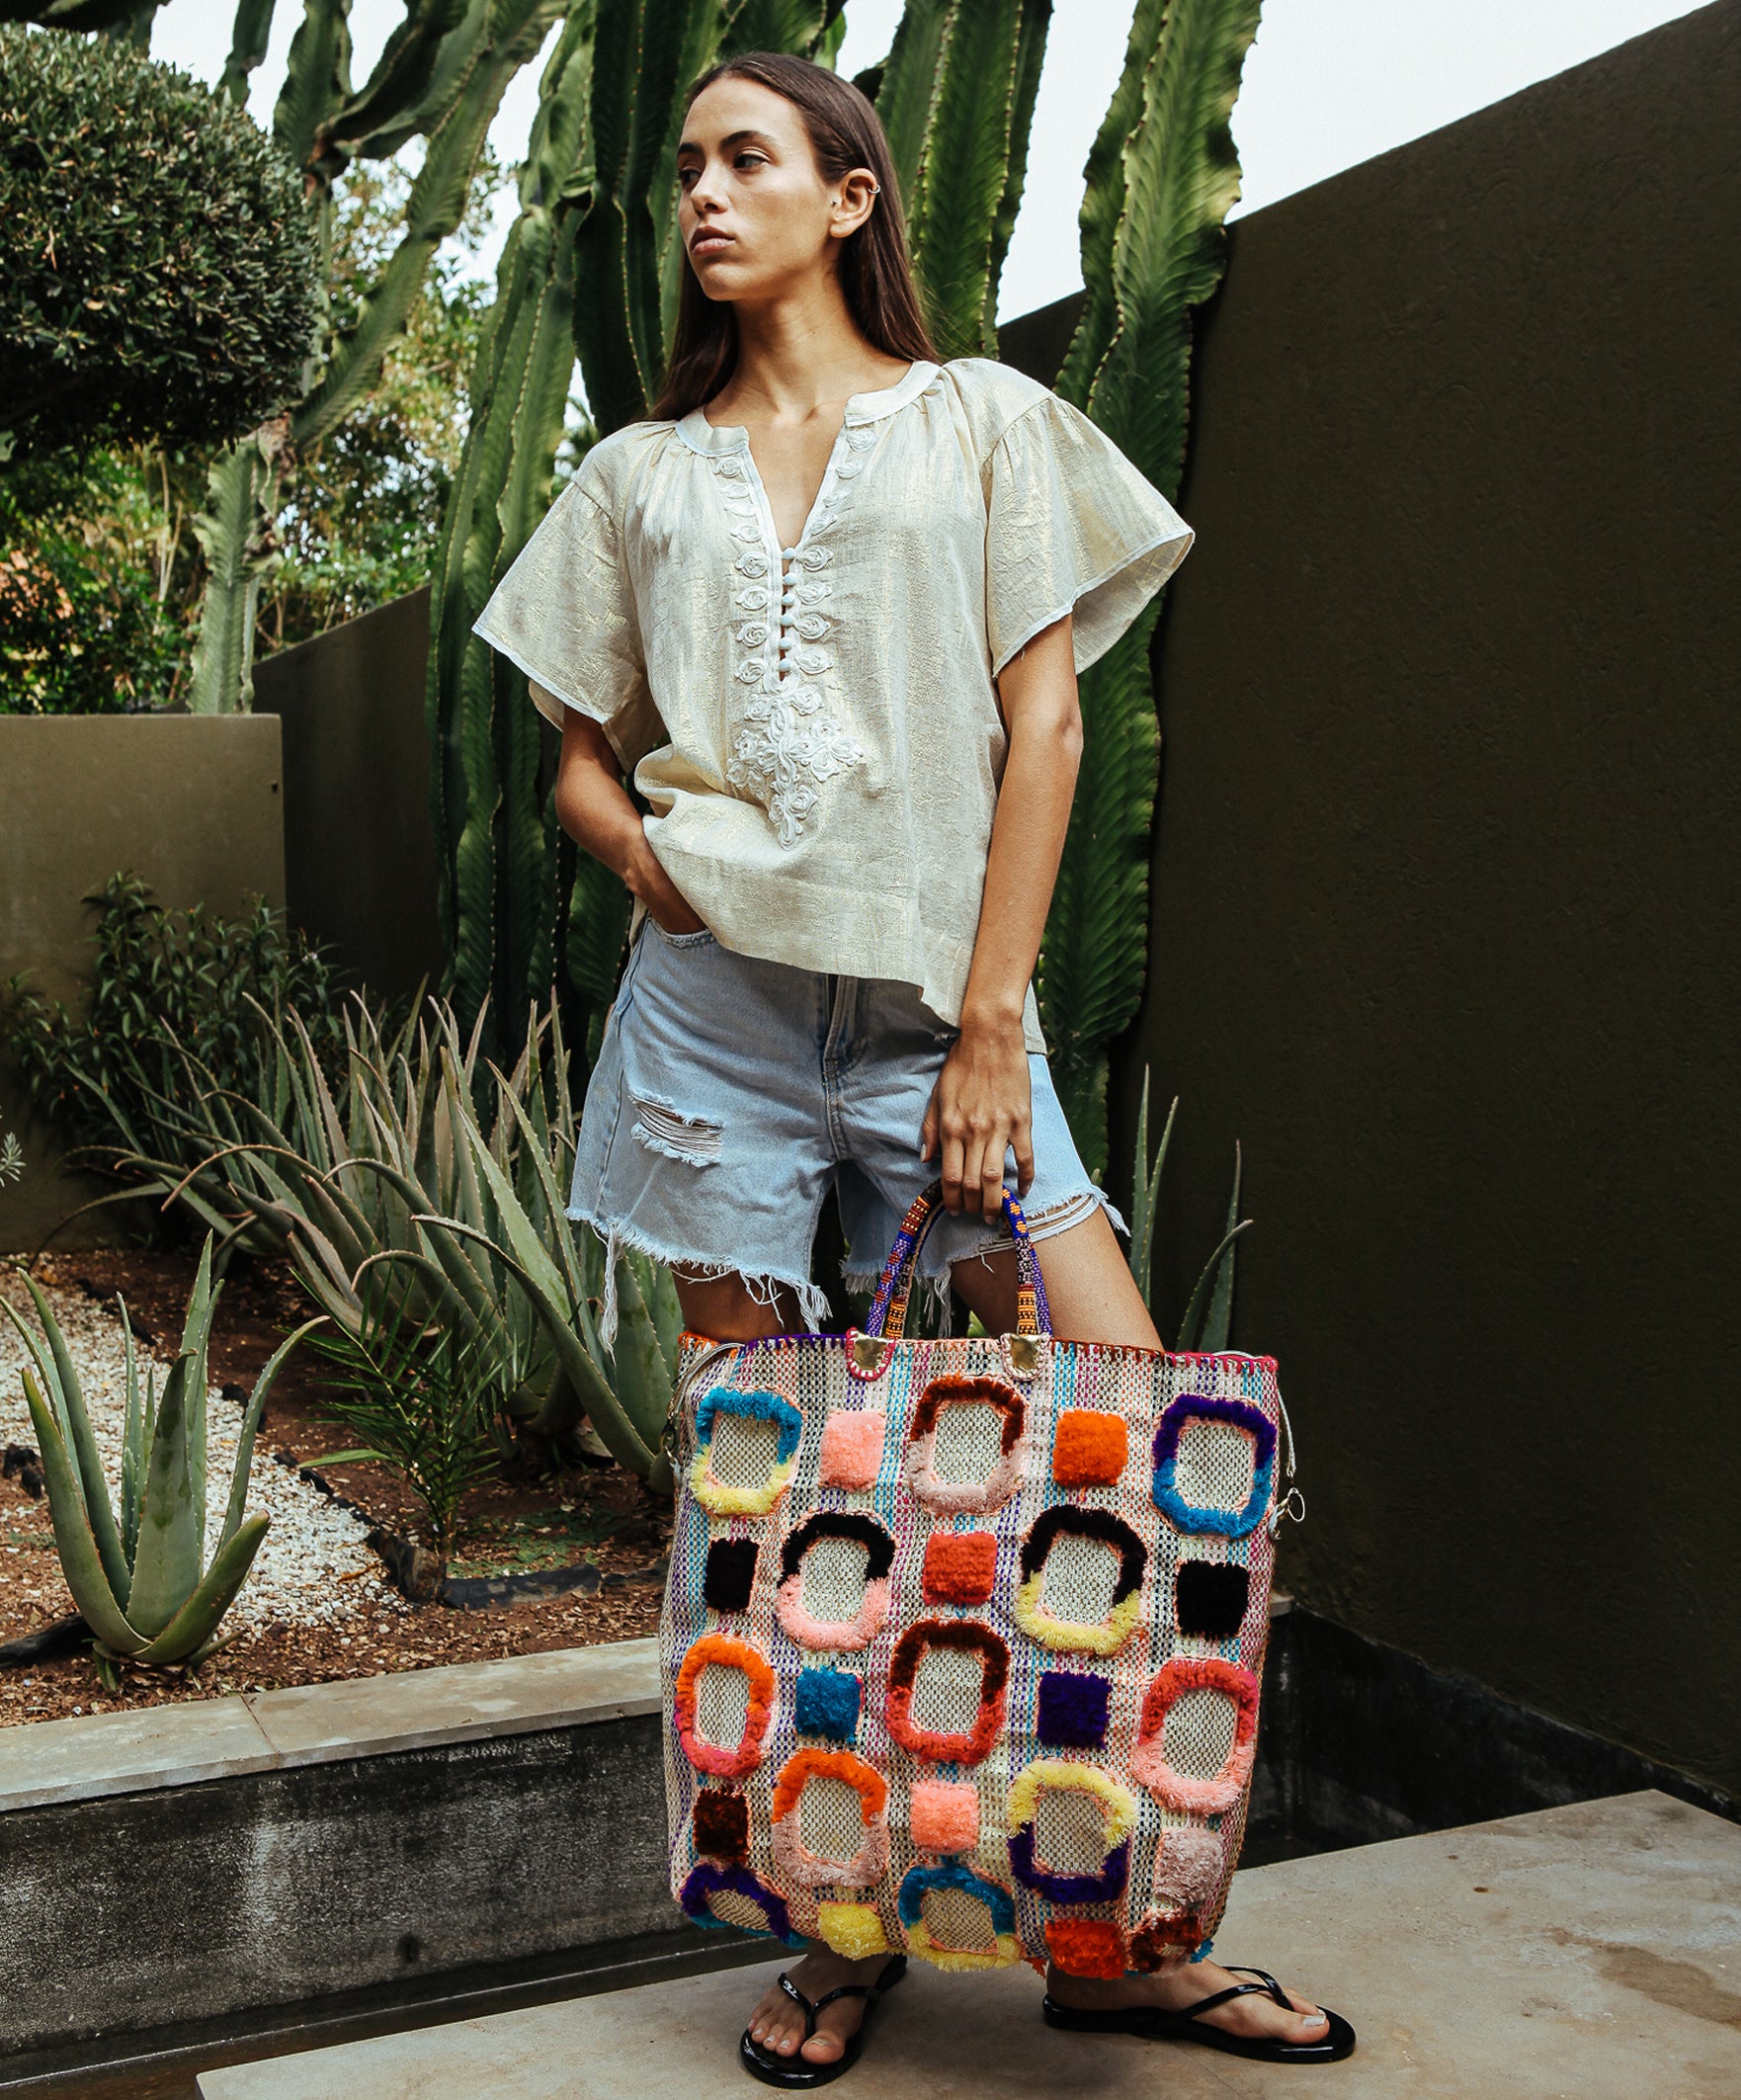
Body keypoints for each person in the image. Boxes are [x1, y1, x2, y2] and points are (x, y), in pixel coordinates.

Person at [475, 49, 1352, 2085]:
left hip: (938, 1005)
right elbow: (573, 760)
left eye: (744, 156)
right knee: (762, 1499)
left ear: (851, 194)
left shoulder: (979, 426)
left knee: (1141, 1449)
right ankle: (833, 1913)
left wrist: (984, 1030)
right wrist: (637, 861)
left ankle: (1119, 1933)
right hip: (711, 1018)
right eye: (682, 162)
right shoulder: (629, 475)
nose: (699, 191)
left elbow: (1037, 732)